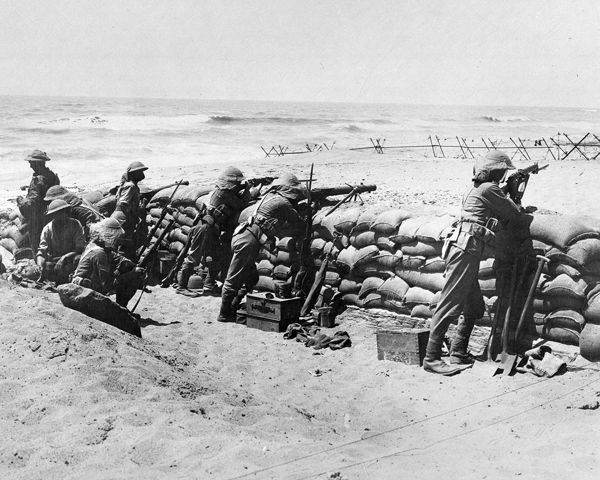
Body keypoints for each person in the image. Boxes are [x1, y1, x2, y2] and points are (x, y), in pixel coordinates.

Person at [423, 150, 524, 376]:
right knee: (449, 304)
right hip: (465, 250)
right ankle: (431, 358)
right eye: (501, 171)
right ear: (494, 171)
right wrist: (514, 193)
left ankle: (458, 351)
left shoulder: (477, 187)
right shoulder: (490, 188)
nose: (502, 174)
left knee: (475, 306)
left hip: (463, 248)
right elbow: (514, 214)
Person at [217, 173, 307, 323]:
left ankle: (232, 306)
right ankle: (224, 314)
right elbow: (298, 223)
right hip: (248, 241)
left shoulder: (268, 197)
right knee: (233, 279)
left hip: (242, 236)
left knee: (252, 278)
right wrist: (305, 210)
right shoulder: (282, 203)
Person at [176, 167, 260, 297]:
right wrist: (248, 190)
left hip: (211, 228)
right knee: (194, 257)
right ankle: (181, 286)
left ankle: (209, 285)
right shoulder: (223, 194)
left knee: (217, 258)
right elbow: (241, 204)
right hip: (204, 228)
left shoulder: (224, 193)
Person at [72, 218, 145, 307]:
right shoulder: (99, 253)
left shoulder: (98, 246)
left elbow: (120, 259)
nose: (119, 241)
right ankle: (120, 309)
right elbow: (107, 285)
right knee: (132, 279)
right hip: (84, 290)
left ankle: (121, 309)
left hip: (85, 286)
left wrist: (134, 267)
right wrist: (132, 274)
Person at [16, 150, 60, 254]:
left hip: (38, 217)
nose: (30, 166)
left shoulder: (38, 180)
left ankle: (38, 263)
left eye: (31, 163)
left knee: (37, 245)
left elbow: (32, 204)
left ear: (37, 163)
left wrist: (20, 201)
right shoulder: (52, 175)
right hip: (52, 212)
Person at [37, 199, 86, 284]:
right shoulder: (47, 229)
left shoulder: (75, 224)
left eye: (63, 212)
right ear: (53, 215)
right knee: (46, 268)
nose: (61, 215)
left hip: (71, 259)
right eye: (57, 213)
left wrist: (65, 258)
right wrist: (40, 266)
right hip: (56, 262)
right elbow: (42, 251)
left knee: (77, 261)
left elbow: (80, 247)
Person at [111, 161, 148, 260]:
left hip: (125, 219)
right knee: (124, 245)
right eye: (140, 172)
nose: (142, 174)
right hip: (123, 220)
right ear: (134, 174)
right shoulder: (130, 186)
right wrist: (135, 215)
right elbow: (123, 204)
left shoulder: (134, 187)